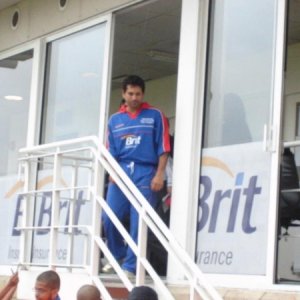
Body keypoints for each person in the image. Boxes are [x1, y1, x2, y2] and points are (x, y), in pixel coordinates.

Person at [103, 75, 170, 277]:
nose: (134, 97)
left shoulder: (155, 115)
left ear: (143, 94)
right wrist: (112, 172)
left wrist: (159, 174)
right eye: (130, 93)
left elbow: (164, 147)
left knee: (137, 221)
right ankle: (118, 257)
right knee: (109, 216)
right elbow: (110, 150)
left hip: (146, 171)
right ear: (123, 94)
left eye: (138, 94)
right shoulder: (114, 120)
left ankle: (131, 267)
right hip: (121, 170)